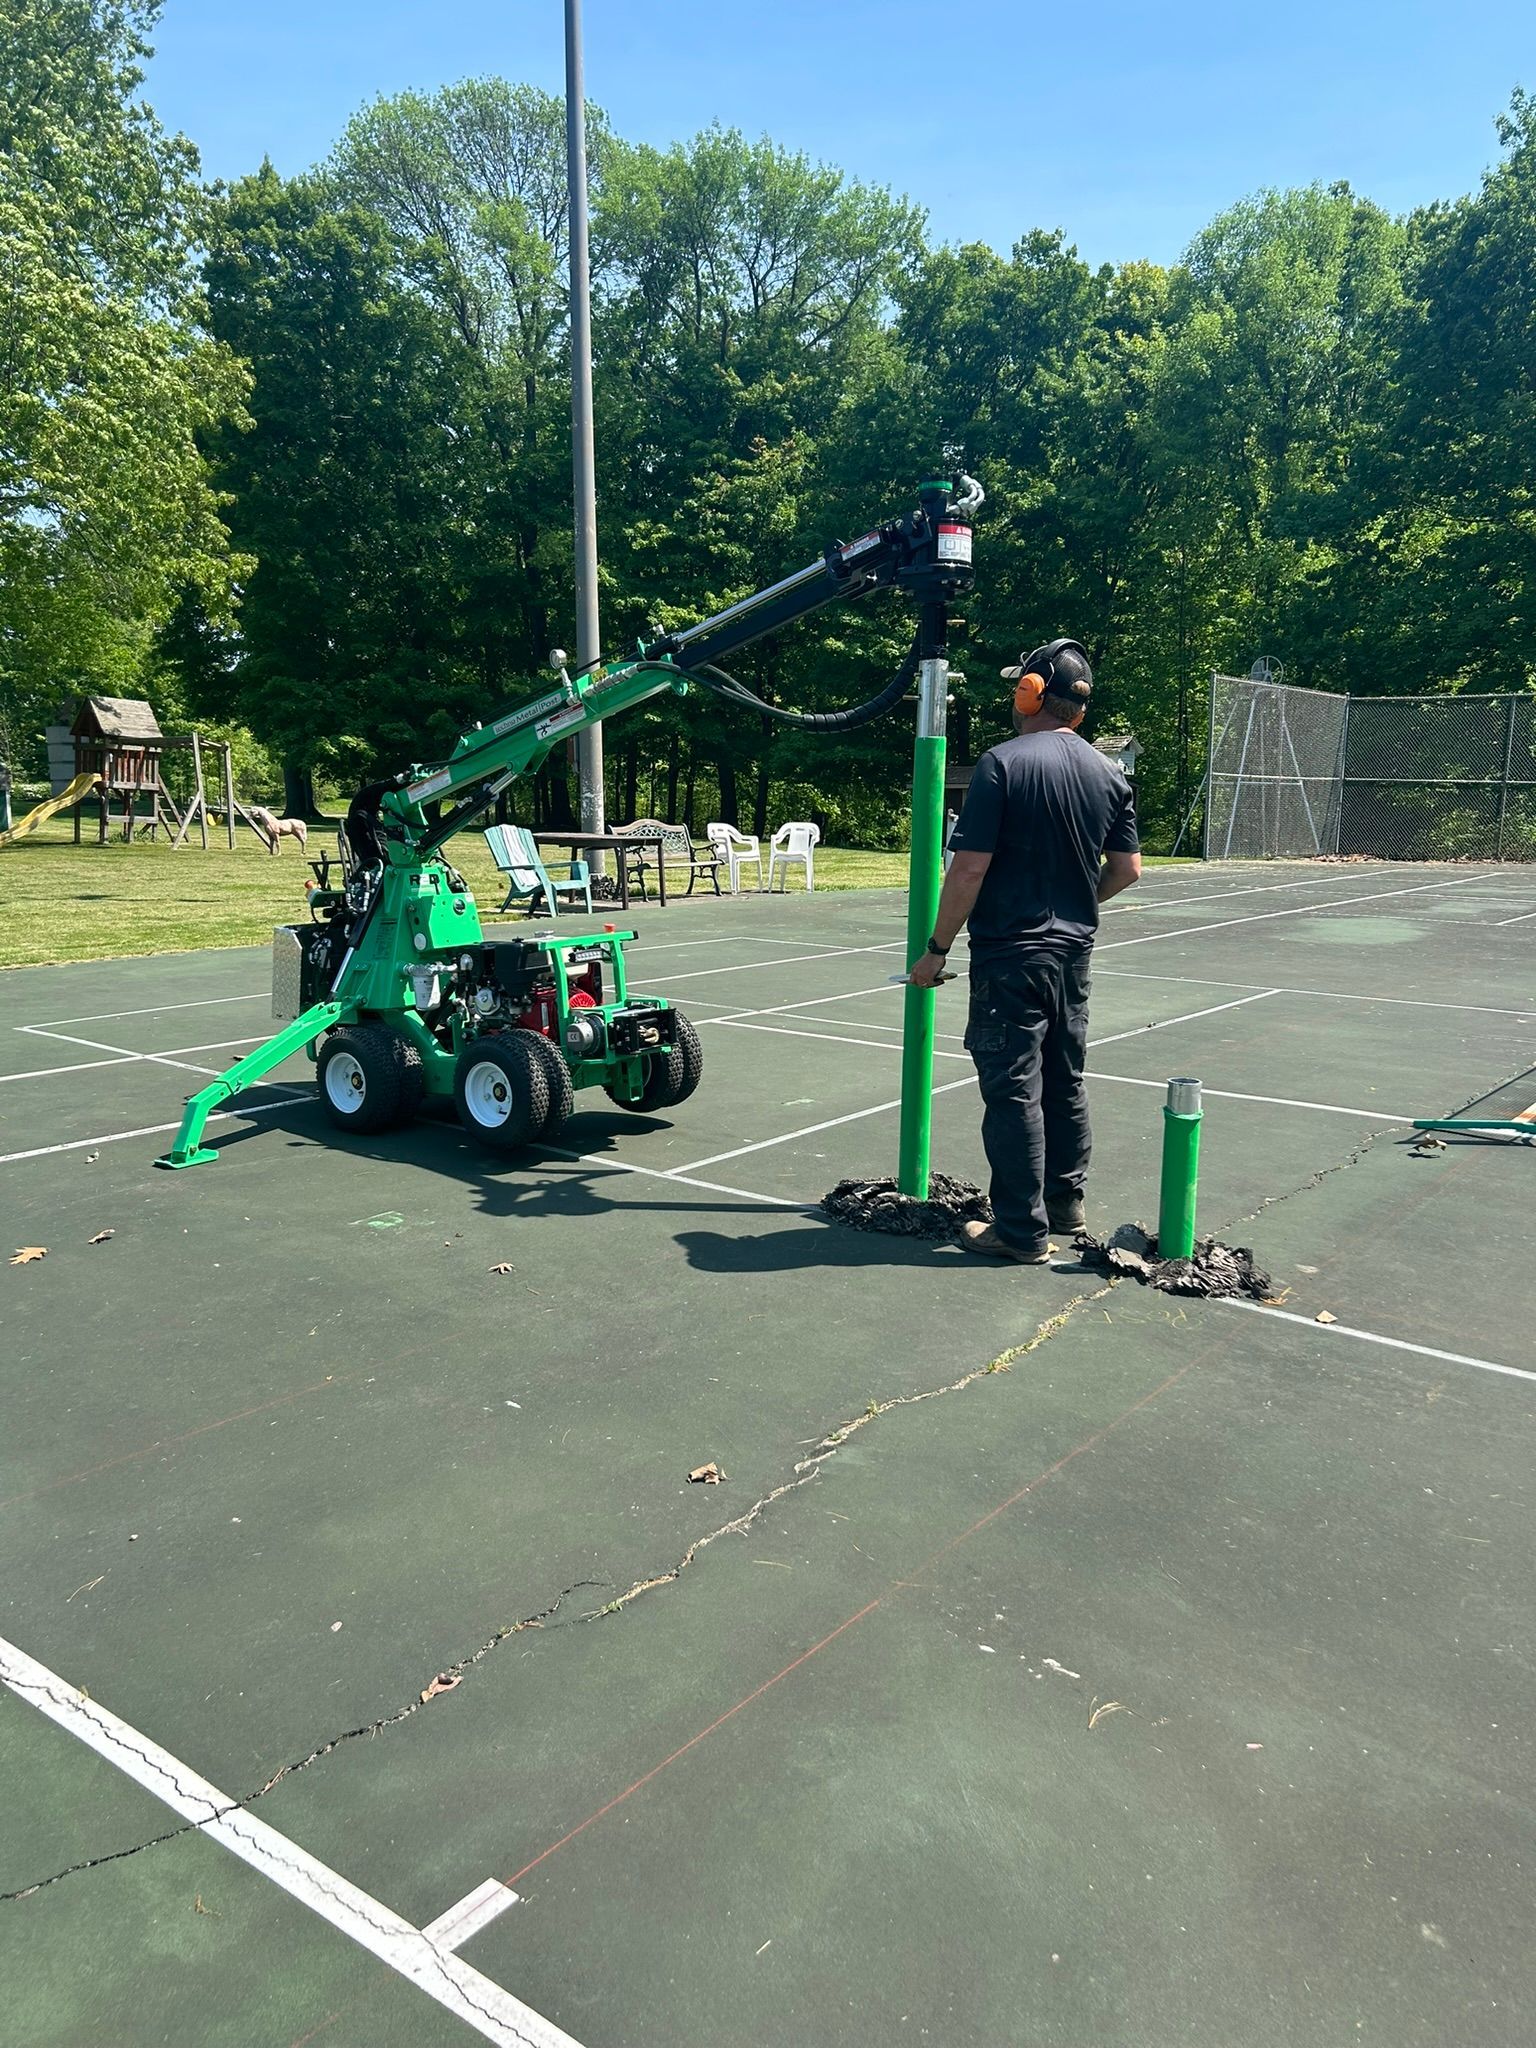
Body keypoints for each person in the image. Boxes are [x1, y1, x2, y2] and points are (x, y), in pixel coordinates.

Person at [908, 638, 1141, 1263]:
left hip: (1011, 954)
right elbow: (1127, 869)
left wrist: (936, 949)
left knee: (1013, 1087)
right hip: (1072, 955)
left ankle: (1020, 1230)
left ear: (1031, 694)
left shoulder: (1002, 763)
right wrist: (1077, 903)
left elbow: (967, 871)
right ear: (1080, 710)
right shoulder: (1109, 773)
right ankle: (1065, 1204)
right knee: (1064, 1078)